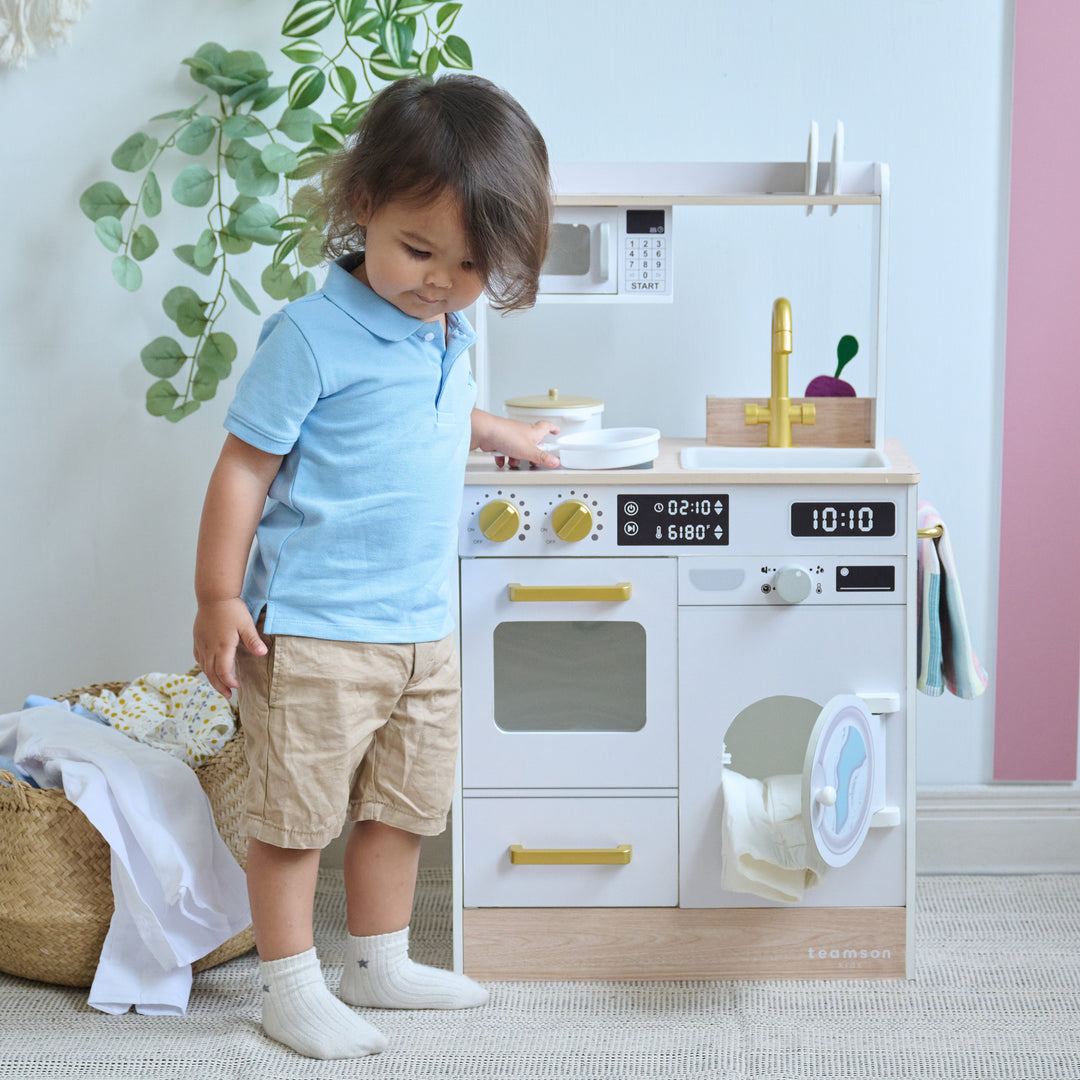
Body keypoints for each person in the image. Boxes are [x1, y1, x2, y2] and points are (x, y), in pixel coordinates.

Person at [192, 74, 557, 1060]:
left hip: (420, 627)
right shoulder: (308, 339)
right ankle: (288, 983)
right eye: (418, 250)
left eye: (472, 264)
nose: (439, 280)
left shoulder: (449, 330)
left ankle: (378, 959)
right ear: (364, 210)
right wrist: (218, 595)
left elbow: (424, 405)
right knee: (297, 817)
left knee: (402, 804)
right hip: (313, 628)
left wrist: (497, 430)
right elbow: (243, 467)